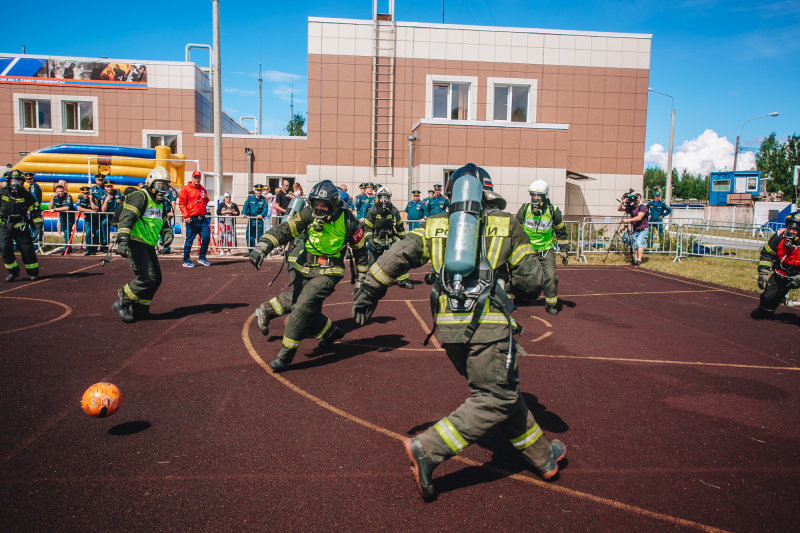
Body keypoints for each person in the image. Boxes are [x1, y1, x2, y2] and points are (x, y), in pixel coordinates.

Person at [351, 163, 565, 502]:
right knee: (494, 397)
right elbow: (532, 284)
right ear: (488, 193)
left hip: (449, 331)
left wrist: (369, 290)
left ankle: (543, 457)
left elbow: (397, 255)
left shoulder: (434, 225)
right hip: (489, 328)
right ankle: (427, 449)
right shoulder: (507, 224)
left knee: (502, 392)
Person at [248, 180, 369, 372]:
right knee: (306, 308)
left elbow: (361, 250)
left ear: (334, 204)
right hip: (303, 266)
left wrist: (363, 277)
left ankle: (285, 355)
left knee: (302, 306)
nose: (319, 209)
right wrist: (263, 246)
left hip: (329, 272)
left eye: (323, 206)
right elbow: (286, 229)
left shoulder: (349, 220)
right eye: (316, 205)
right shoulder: (308, 213)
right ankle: (331, 333)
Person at [111, 167, 174, 323]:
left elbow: (163, 221)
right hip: (135, 242)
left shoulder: (159, 202)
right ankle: (122, 301)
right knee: (147, 277)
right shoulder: (140, 196)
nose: (163, 189)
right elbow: (127, 219)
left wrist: (167, 233)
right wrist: (123, 241)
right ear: (151, 183)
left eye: (165, 186)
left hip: (148, 244)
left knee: (156, 279)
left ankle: (141, 310)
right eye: (160, 185)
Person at [516, 179, 570, 315]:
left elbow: (561, 231)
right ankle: (520, 299)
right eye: (532, 195)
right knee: (519, 276)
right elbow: (515, 229)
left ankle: (551, 304)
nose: (534, 198)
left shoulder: (554, 211)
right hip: (527, 251)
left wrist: (564, 251)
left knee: (550, 277)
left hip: (546, 251)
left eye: (538, 195)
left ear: (545, 196)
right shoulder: (525, 209)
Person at [752, 212, 800, 319]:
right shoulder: (778, 236)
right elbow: (767, 254)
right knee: (768, 298)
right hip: (782, 273)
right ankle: (765, 311)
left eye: (795, 229)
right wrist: (763, 273)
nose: (791, 231)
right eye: (789, 228)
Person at [363, 186, 412, 289]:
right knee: (373, 263)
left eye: (386, 198)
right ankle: (369, 281)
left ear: (390, 198)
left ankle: (403, 280)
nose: (384, 200)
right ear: (377, 198)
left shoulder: (393, 210)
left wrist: (405, 239)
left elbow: (399, 226)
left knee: (399, 259)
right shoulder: (373, 211)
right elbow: (367, 228)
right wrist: (369, 239)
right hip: (376, 240)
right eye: (381, 197)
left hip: (391, 239)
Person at [0, 170, 43, 281]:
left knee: (27, 249)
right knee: (4, 248)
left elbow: (35, 211)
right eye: (13, 181)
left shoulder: (26, 195)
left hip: (21, 225)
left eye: (18, 181)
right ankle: (13, 272)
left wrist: (38, 227)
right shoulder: (2, 193)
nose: (16, 184)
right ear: (9, 181)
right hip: (5, 225)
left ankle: (33, 272)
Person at [178, 170, 211, 267]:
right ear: (192, 178)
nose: (197, 179)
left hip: (202, 218)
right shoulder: (186, 189)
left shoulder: (202, 189)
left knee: (206, 237)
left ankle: (202, 257)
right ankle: (186, 260)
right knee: (189, 240)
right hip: (192, 218)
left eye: (198, 177)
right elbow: (182, 203)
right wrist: (186, 216)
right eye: (195, 177)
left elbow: (205, 202)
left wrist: (206, 198)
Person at [617, 192, 648, 267]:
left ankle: (639, 260)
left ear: (640, 199)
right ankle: (635, 259)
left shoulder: (643, 207)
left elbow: (639, 217)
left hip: (642, 229)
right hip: (635, 229)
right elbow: (619, 209)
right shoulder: (632, 207)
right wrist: (622, 202)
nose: (636, 199)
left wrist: (627, 220)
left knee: (639, 243)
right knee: (635, 244)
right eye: (635, 198)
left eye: (638, 198)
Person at [49, 183, 76, 253]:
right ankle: (68, 247)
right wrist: (52, 199)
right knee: (65, 231)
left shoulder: (68, 196)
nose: (60, 193)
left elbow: (67, 207)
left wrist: (55, 210)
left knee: (67, 231)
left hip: (70, 216)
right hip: (62, 216)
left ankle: (66, 248)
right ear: (56, 191)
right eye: (59, 191)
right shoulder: (55, 197)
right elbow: (50, 208)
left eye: (62, 191)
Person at [241, 185, 268, 253]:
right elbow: (245, 206)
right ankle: (250, 251)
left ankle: (258, 252)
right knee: (249, 236)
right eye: (257, 190)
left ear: (262, 191)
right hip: (251, 220)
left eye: (260, 190)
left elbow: (265, 209)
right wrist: (243, 213)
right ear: (255, 191)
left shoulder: (264, 199)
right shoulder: (250, 198)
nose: (258, 192)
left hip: (259, 220)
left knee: (259, 236)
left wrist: (262, 215)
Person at [89, 174, 110, 253]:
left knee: (104, 230)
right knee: (96, 231)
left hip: (104, 213)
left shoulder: (106, 188)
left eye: (101, 180)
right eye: (99, 180)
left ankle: (104, 246)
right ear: (96, 180)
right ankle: (95, 247)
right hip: (96, 214)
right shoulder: (92, 189)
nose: (100, 182)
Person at [159, 181, 178, 254]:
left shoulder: (171, 191)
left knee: (166, 229)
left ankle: (165, 247)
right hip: (157, 212)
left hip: (166, 214)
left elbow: (173, 202)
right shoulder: (158, 189)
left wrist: (172, 212)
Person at [75, 186, 96, 255]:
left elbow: (95, 209)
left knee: (96, 233)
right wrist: (90, 210)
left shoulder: (94, 197)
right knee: (88, 232)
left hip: (96, 217)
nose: (86, 195)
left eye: (87, 193)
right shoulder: (80, 197)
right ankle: (88, 249)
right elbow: (79, 208)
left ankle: (94, 249)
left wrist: (91, 200)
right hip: (88, 218)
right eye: (84, 193)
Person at [101, 180, 121, 246]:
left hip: (117, 216)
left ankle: (119, 245)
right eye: (107, 187)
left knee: (120, 228)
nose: (109, 188)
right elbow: (103, 210)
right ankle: (105, 244)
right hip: (108, 216)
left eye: (110, 186)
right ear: (105, 188)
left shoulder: (117, 193)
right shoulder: (103, 195)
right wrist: (106, 201)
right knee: (104, 224)